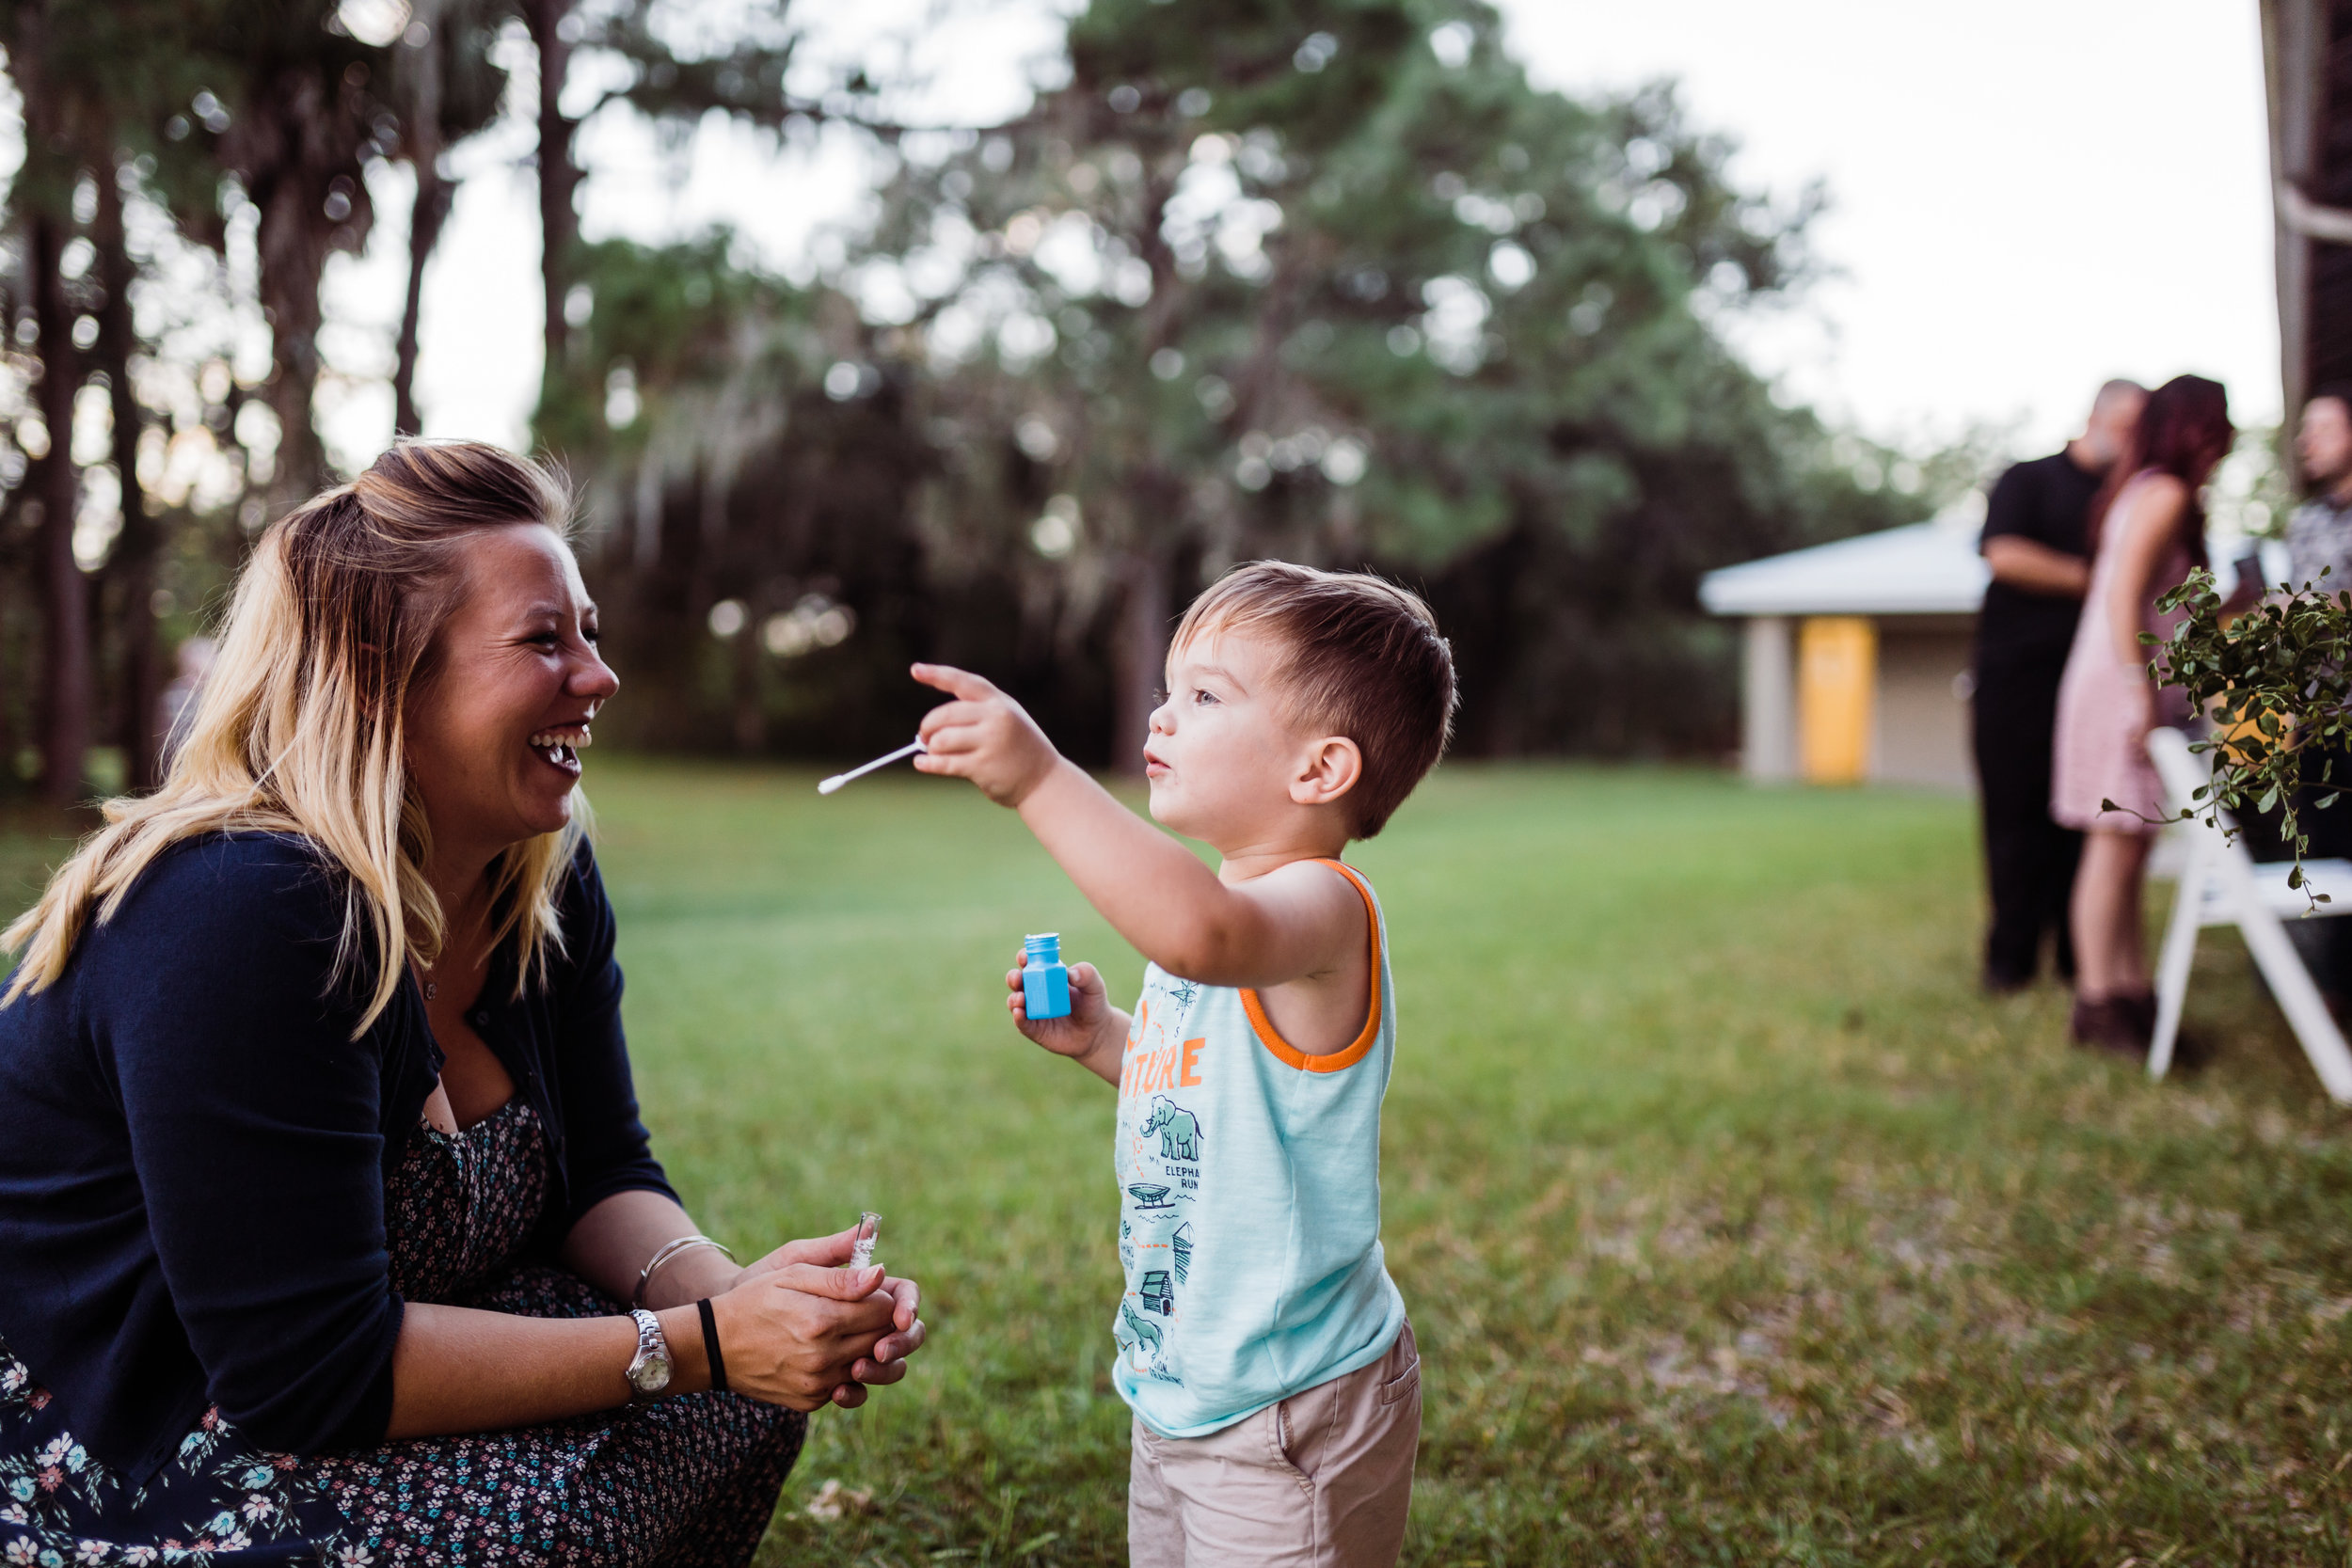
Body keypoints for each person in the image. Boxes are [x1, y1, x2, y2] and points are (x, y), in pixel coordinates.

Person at [0, 441, 926, 1566]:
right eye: (545, 638)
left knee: (732, 1401)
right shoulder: (240, 909)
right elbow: (305, 1369)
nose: (599, 674)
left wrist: (748, 1300)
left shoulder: (537, 872)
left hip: (349, 1361)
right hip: (135, 1423)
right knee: (556, 1513)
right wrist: (700, 1343)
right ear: (385, 674)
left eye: (589, 630)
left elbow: (605, 1174)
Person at [909, 562, 1453, 1567]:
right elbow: (1213, 1091)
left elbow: (1203, 933)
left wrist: (1038, 778)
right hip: (1184, 1378)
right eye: (1168, 689)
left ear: (1319, 771)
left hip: (1291, 1403)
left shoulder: (1321, 908)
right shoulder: (1229, 914)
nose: (1163, 715)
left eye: (1204, 695)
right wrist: (1108, 1037)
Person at [2051, 375, 2240, 1054]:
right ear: (2196, 427)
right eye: (2220, 423)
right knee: (2111, 846)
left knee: (2130, 846)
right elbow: (2124, 596)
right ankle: (2098, 1002)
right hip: (2119, 687)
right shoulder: (2163, 491)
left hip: (2125, 684)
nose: (2230, 438)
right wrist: (2138, 696)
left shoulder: (2144, 489)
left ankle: (2131, 993)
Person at [1972, 379, 2146, 992]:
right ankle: (2010, 957)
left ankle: (2081, 957)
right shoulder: (2028, 479)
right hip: (2015, 682)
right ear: (2094, 417)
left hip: (2089, 686)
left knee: (2084, 819)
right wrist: (2096, 578)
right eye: (2126, 425)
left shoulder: (2126, 500)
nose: (2132, 440)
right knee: (2013, 818)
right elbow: (2003, 554)